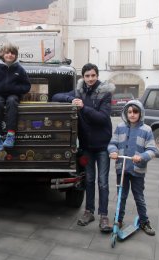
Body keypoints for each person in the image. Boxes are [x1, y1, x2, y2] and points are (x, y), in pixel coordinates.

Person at [52, 63, 114, 232]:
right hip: (86, 146)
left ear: (97, 75)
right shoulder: (79, 91)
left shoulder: (105, 93)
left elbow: (102, 118)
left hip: (102, 146)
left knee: (103, 182)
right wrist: (71, 99)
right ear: (83, 77)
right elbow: (56, 96)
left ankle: (103, 216)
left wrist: (83, 107)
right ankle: (89, 211)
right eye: (87, 76)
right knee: (88, 180)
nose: (90, 79)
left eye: (93, 75)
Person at [108, 100, 157, 235]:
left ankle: (144, 221)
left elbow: (152, 150)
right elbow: (113, 143)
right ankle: (119, 219)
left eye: (135, 112)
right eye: (129, 112)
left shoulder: (146, 129)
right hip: (122, 168)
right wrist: (113, 151)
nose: (132, 114)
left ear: (140, 113)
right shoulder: (120, 127)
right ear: (125, 113)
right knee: (121, 196)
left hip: (137, 169)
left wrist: (142, 156)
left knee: (139, 196)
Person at [0, 43, 31, 151]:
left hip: (13, 95)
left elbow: (27, 86)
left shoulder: (19, 69)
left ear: (16, 55)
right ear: (2, 54)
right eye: (7, 52)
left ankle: (10, 135)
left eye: (13, 53)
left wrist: (15, 89)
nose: (10, 55)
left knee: (12, 101)